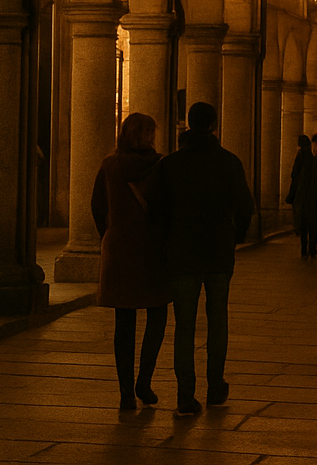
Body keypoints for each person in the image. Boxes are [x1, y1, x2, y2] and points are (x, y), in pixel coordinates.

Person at [149, 101, 253, 416]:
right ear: (213, 125)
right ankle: (215, 386)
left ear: (187, 125)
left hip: (182, 253)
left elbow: (157, 210)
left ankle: (185, 395)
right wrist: (236, 236)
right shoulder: (229, 162)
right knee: (217, 319)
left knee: (184, 325)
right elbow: (246, 206)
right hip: (218, 252)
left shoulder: (171, 165)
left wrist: (168, 240)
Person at [91, 112, 169, 410]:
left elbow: (97, 206)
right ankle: (144, 382)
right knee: (157, 315)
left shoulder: (110, 165)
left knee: (123, 323)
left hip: (120, 250)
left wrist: (110, 235)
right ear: (146, 135)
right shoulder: (160, 165)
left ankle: (125, 391)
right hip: (152, 249)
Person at [284, 134, 312, 256]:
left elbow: (295, 173)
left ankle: (300, 232)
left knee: (299, 211)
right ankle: (309, 243)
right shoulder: (311, 155)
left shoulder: (301, 155)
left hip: (300, 189)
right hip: (308, 191)